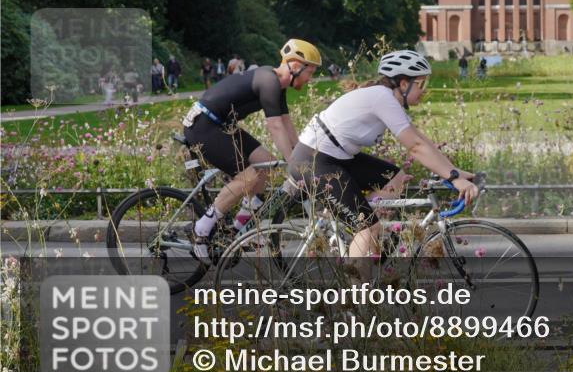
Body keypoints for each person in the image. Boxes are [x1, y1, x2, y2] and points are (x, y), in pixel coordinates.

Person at [288, 50, 478, 262]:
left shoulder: (386, 99)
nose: (424, 90)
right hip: (314, 160)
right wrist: (453, 179)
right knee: (368, 228)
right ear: (404, 84)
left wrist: (454, 172)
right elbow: (415, 147)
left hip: (337, 156)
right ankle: (356, 291)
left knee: (395, 178)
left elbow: (420, 140)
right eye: (421, 84)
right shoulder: (382, 98)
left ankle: (356, 225)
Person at [185, 39, 322, 263]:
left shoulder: (278, 85)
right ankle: (200, 230)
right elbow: (275, 126)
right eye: (311, 72)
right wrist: (293, 165)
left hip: (222, 126)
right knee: (247, 178)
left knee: (266, 164)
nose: (311, 79)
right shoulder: (269, 80)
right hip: (203, 126)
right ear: (296, 66)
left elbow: (287, 124)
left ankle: (238, 230)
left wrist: (301, 154)